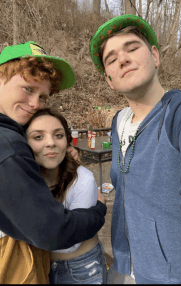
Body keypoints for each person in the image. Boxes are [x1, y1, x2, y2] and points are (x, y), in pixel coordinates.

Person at [89, 14, 181, 284]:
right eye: (111, 59)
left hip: (172, 276)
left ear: (155, 56)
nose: (122, 59)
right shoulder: (118, 122)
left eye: (132, 48)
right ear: (109, 80)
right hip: (127, 268)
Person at [0, 41, 106, 283]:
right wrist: (99, 211)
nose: (36, 103)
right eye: (28, 89)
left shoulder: (13, 138)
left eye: (43, 96)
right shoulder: (8, 146)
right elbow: (52, 231)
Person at [25, 107, 107, 284]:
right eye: (38, 137)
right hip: (40, 266)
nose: (50, 143)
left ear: (67, 142)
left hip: (80, 269)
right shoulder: (22, 178)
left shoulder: (82, 179)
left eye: (58, 135)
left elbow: (70, 242)